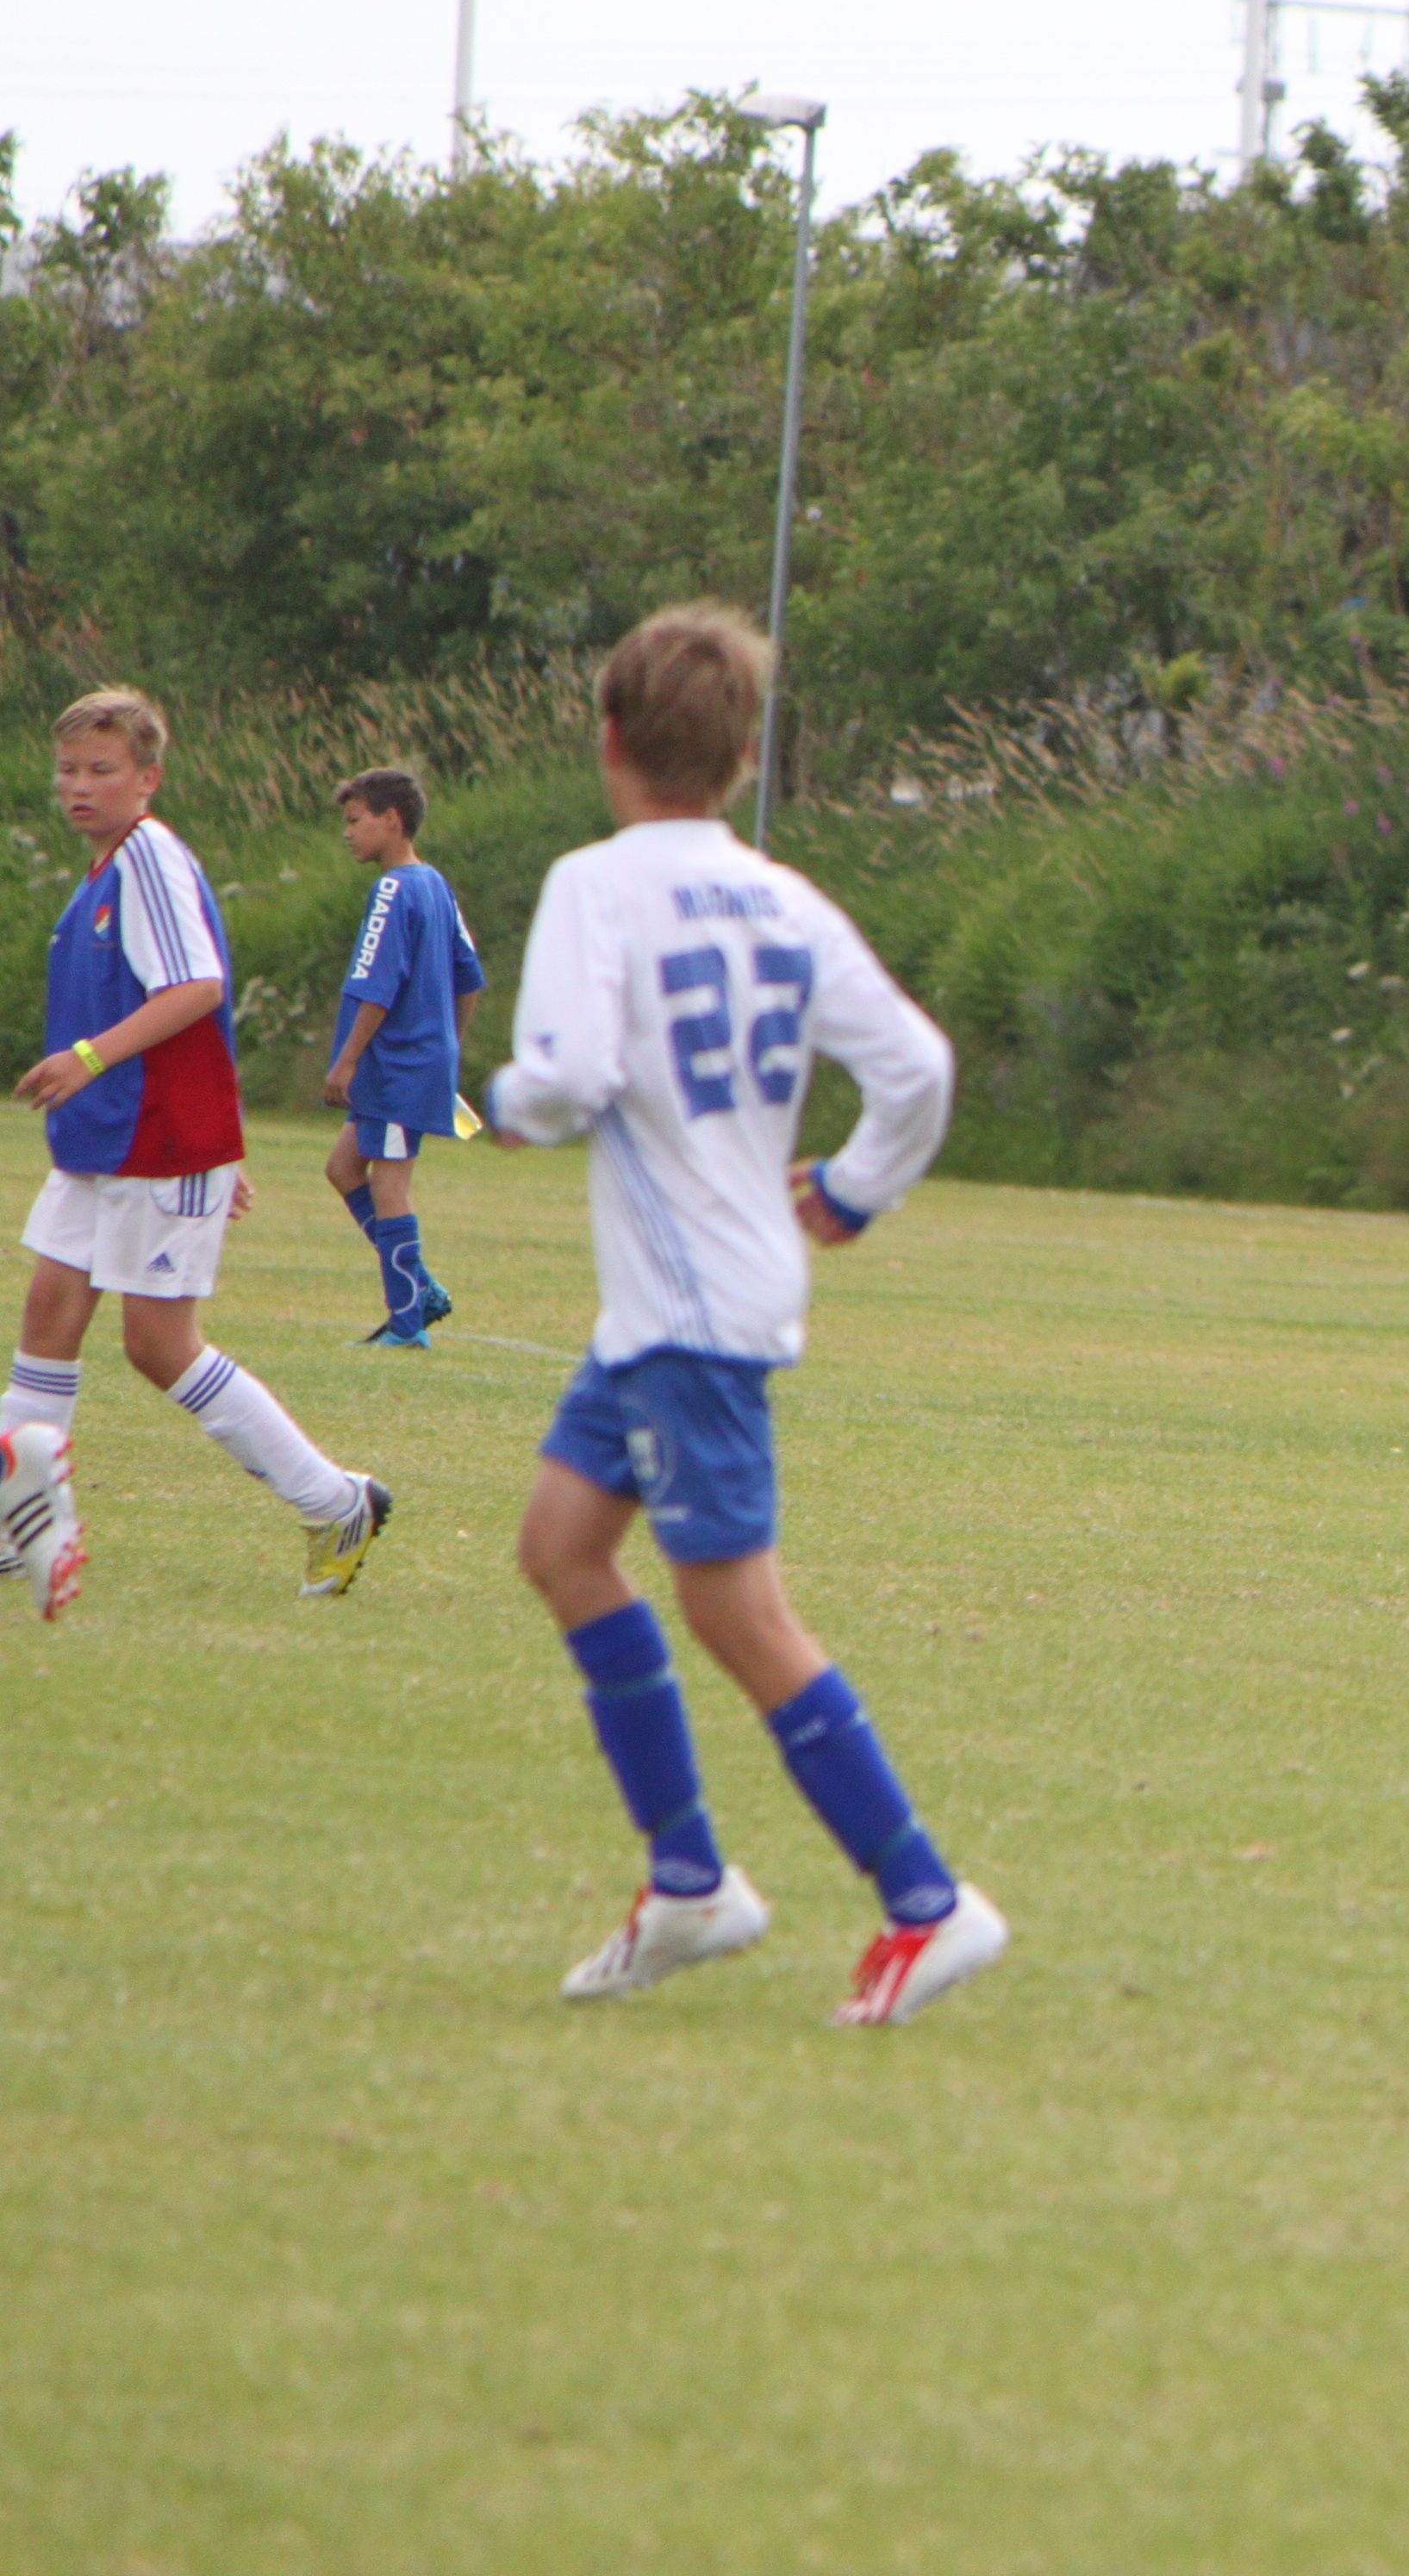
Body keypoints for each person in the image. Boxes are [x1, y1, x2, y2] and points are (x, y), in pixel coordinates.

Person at [493, 601, 1004, 2027]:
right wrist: (852, 1186)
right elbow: (918, 1066)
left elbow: (569, 1073)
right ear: (741, 754)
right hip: (683, 1300)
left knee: (737, 1610)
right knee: (562, 1544)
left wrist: (511, 1101)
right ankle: (688, 1881)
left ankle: (927, 1899)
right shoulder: (782, 896)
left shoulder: (595, 884)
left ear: (608, 736)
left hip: (690, 1311)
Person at [0, 687, 388, 1616]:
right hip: (112, 1144)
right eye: (68, 769)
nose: (80, 786)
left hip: (157, 1143)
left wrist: (91, 1059)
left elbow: (197, 988)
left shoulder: (149, 858)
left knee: (158, 1345)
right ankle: (17, 1530)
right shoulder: (102, 874)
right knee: (49, 1315)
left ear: (148, 779)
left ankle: (337, 1503)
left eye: (103, 770)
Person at [317, 766, 485, 1349]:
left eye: (355, 820)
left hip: (396, 1066)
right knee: (342, 1169)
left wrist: (347, 1060)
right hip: (416, 1062)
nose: (348, 833)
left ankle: (409, 1323)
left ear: (391, 820)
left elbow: (377, 985)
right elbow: (469, 975)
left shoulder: (392, 890)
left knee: (389, 1188)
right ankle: (420, 1287)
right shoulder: (436, 885)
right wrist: (448, 1042)